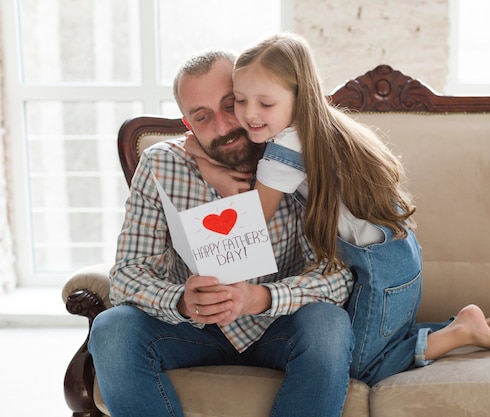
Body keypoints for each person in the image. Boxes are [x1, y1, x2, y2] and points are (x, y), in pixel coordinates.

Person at [186, 32, 490, 387]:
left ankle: (461, 332)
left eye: (265, 103)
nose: (249, 113)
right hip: (396, 255)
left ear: (298, 99)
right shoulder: (327, 127)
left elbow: (249, 223)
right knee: (376, 340)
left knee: (357, 365)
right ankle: (489, 323)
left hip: (379, 270)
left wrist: (210, 170)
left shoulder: (285, 151)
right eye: (240, 99)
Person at [87, 49, 356, 417]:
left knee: (328, 324)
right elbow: (126, 276)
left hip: (278, 325)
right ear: (188, 125)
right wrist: (181, 300)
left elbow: (336, 276)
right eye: (203, 117)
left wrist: (260, 298)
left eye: (230, 105)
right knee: (111, 327)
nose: (223, 126)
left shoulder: (293, 155)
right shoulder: (160, 165)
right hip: (194, 331)